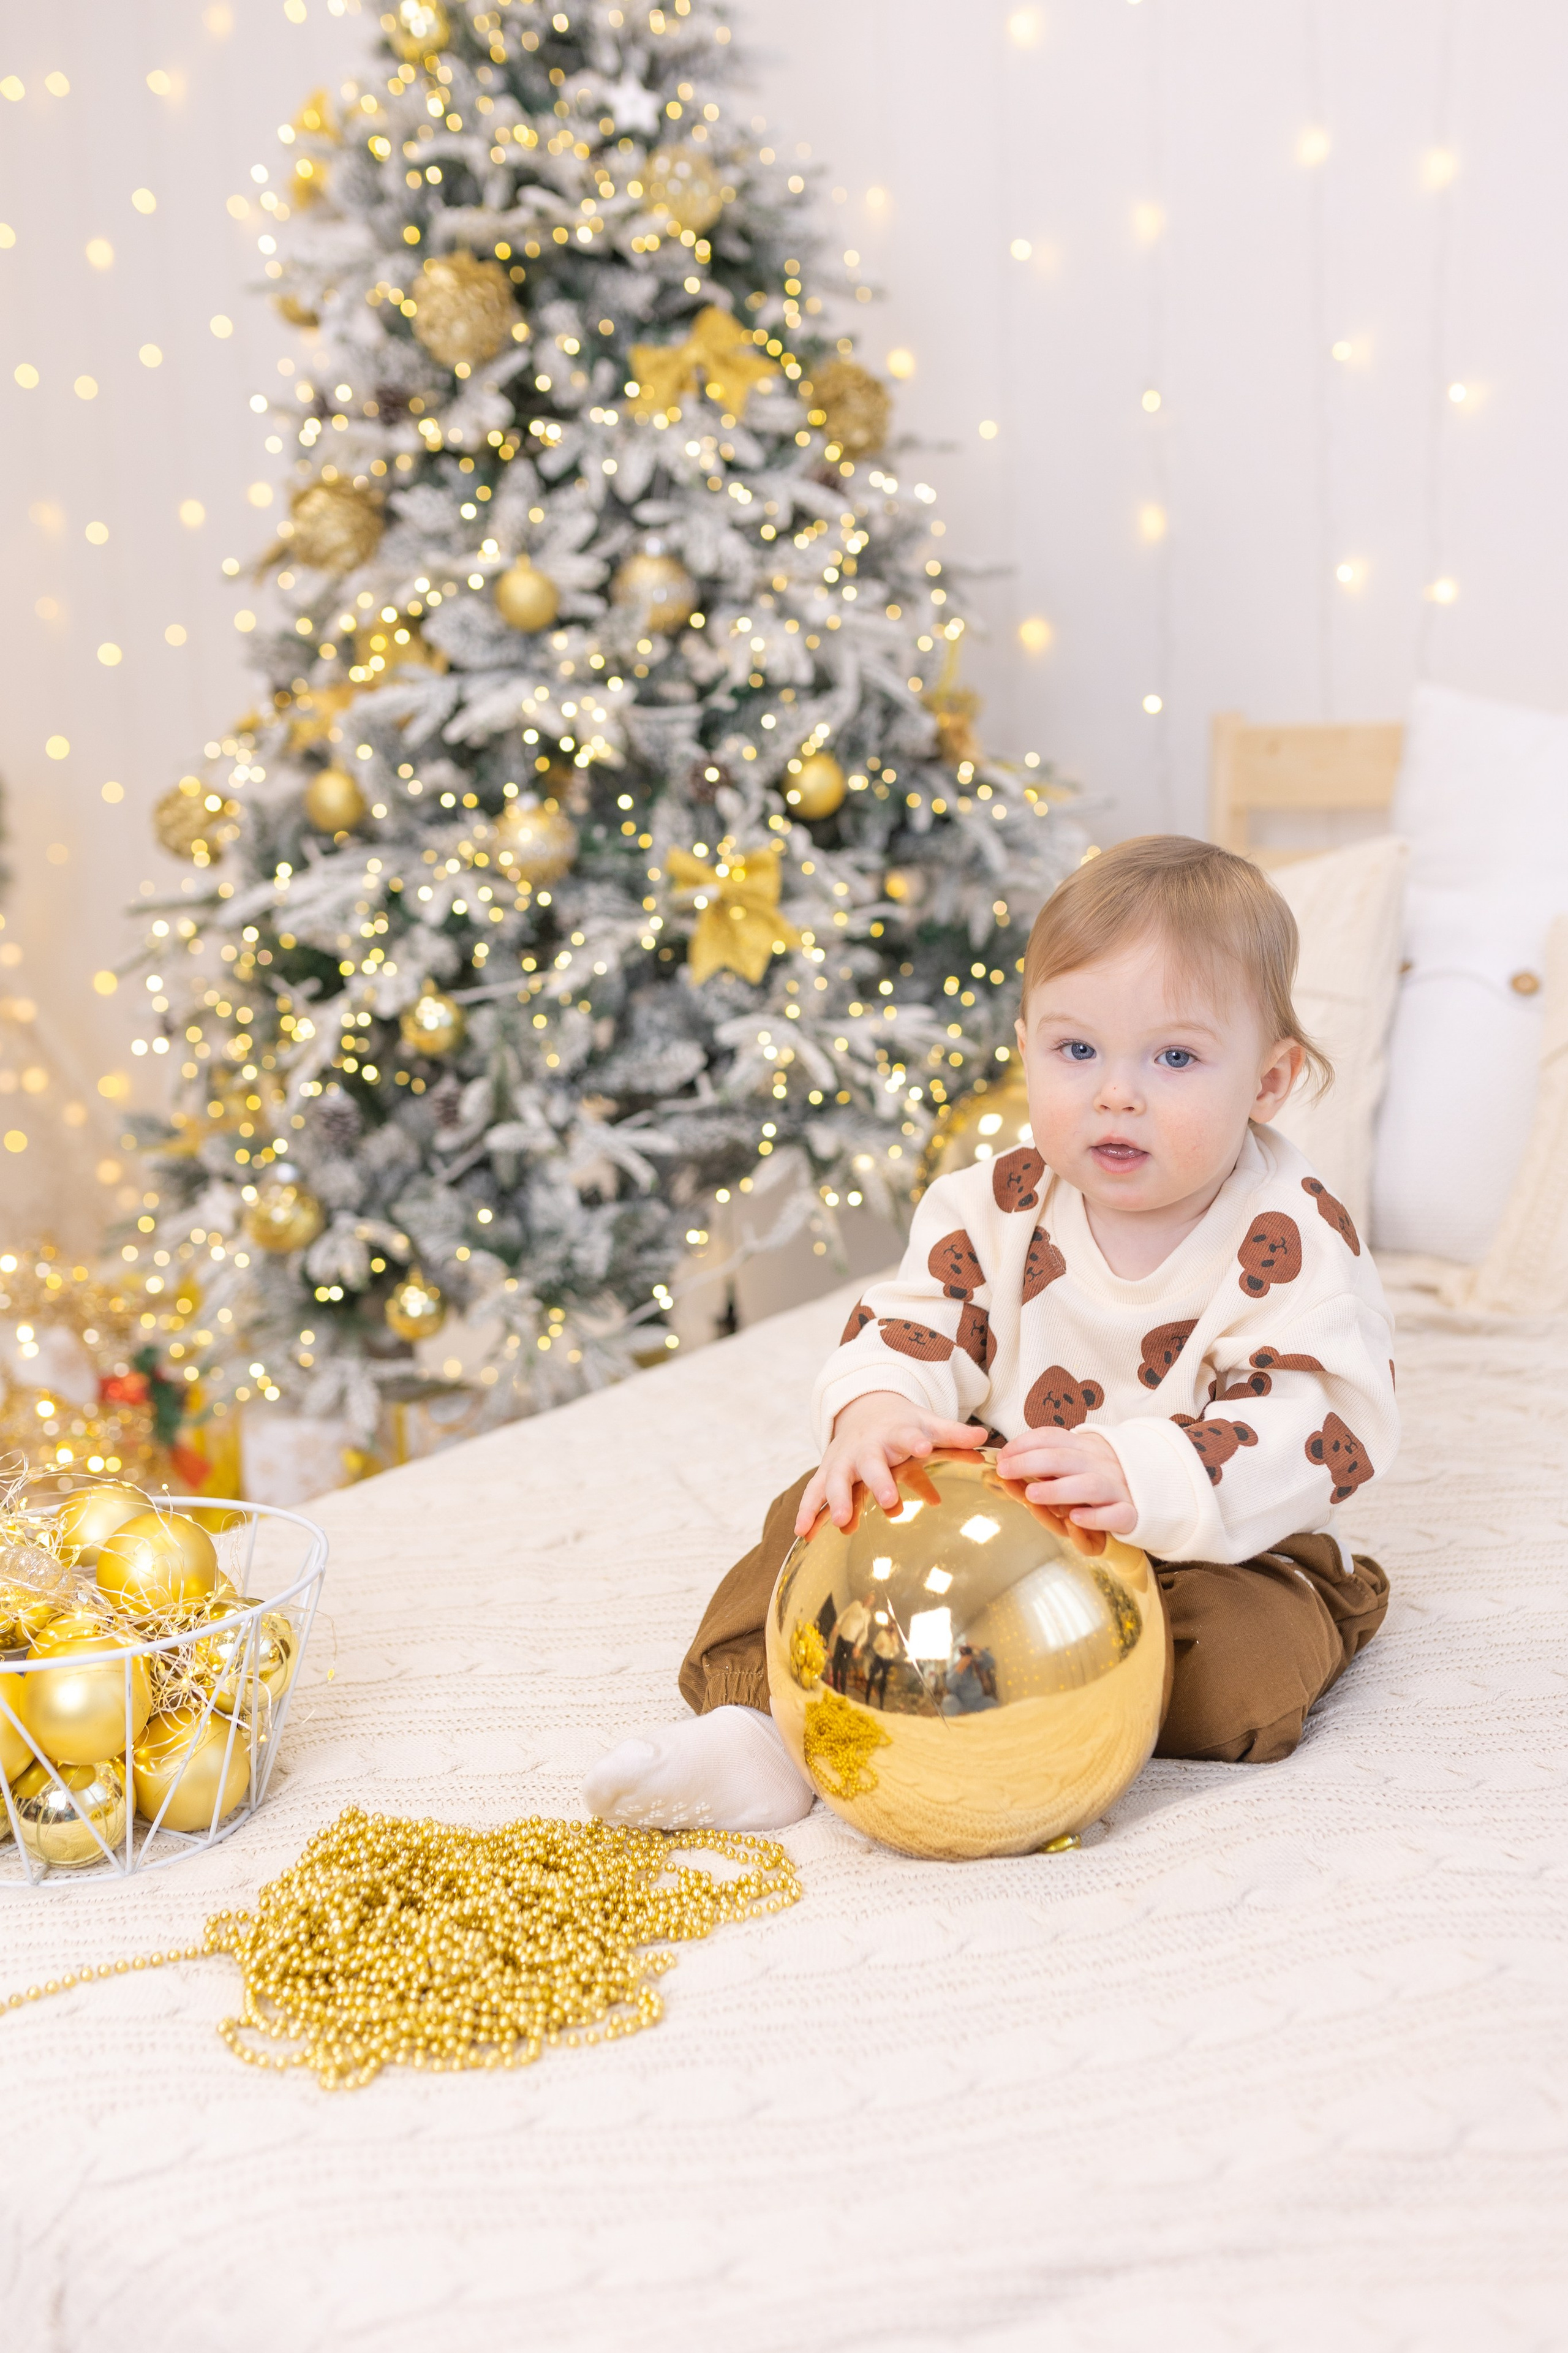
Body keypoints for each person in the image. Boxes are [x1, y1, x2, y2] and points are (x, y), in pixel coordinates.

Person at [584, 836, 1398, 1834]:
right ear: (1026, 1045)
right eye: (1077, 1050)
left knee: (1251, 1666)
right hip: (996, 1522)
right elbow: (913, 1322)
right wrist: (880, 1411)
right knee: (814, 1513)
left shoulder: (1293, 1232)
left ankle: (1066, 1712)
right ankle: (764, 1729)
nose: (1116, 1093)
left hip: (1210, 1543)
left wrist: (1143, 1472)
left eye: (1176, 1057)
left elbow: (1320, 1421)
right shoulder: (998, 1200)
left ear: (1269, 1081)